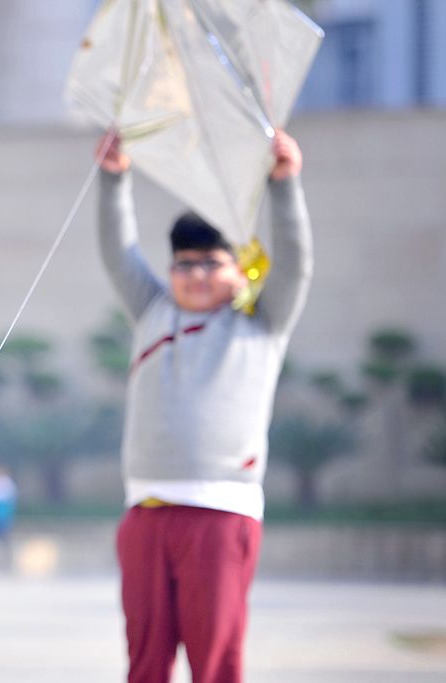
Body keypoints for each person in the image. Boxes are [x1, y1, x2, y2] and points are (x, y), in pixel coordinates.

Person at [96, 129, 313, 683]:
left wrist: (284, 184)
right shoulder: (152, 311)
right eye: (183, 264)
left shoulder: (260, 324)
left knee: (215, 658)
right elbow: (117, 251)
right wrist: (113, 176)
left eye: (210, 264)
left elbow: (294, 264)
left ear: (240, 269)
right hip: (145, 509)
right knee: (146, 656)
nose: (195, 275)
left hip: (222, 513)